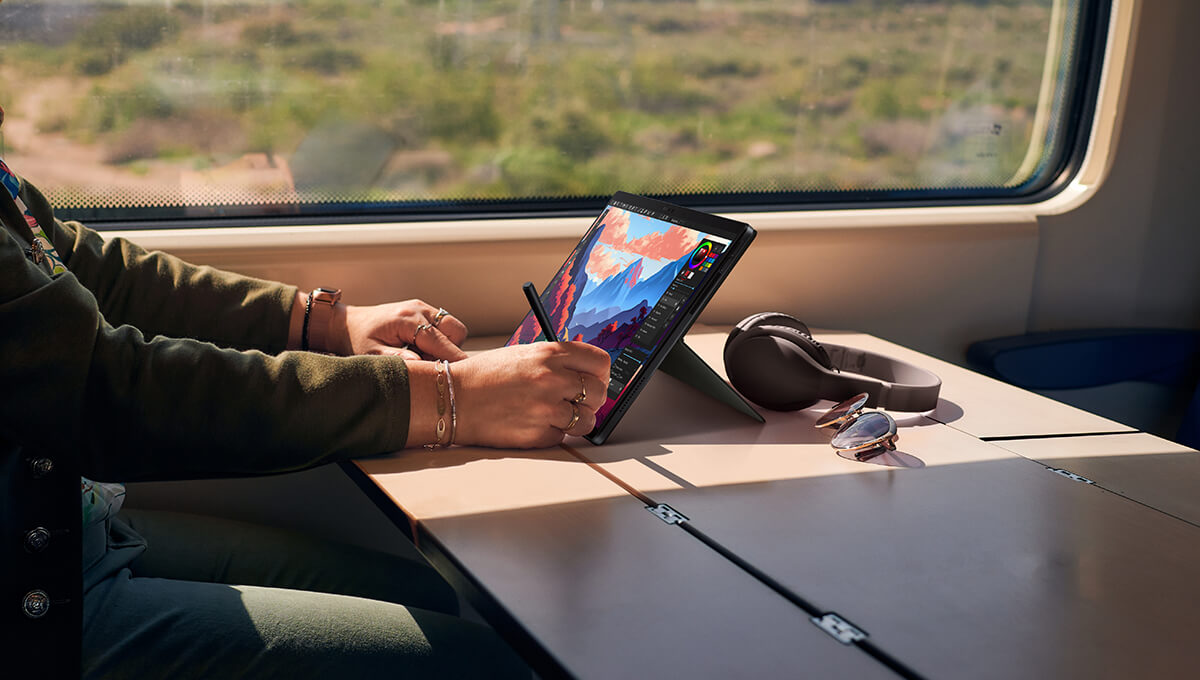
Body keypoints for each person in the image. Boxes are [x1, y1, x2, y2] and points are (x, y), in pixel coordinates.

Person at [0, 101, 611, 678]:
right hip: (36, 595)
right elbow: (110, 392)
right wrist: (444, 399)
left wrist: (324, 319)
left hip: (67, 521)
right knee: (479, 666)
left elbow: (84, 267)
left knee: (423, 591)